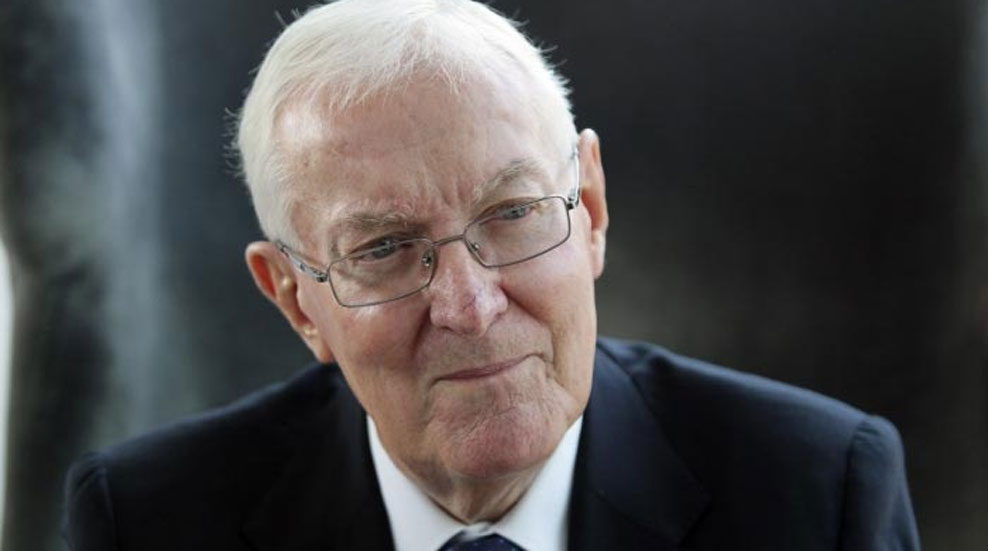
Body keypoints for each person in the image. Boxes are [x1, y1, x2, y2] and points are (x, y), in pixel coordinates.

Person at [63, 0, 920, 549]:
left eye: (512, 213)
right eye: (383, 249)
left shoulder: (821, 496)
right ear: (297, 301)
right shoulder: (144, 520)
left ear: (590, 208)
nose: (469, 306)